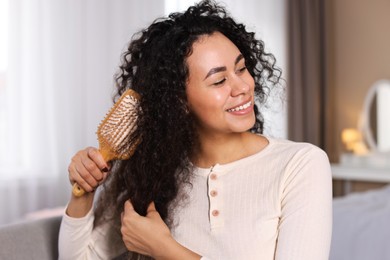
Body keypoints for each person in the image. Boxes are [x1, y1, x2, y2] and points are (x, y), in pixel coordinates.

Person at [58, 0, 332, 259]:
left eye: (241, 68)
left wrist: (166, 249)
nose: (243, 87)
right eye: (219, 80)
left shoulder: (301, 164)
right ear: (179, 100)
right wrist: (83, 192)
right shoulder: (156, 174)